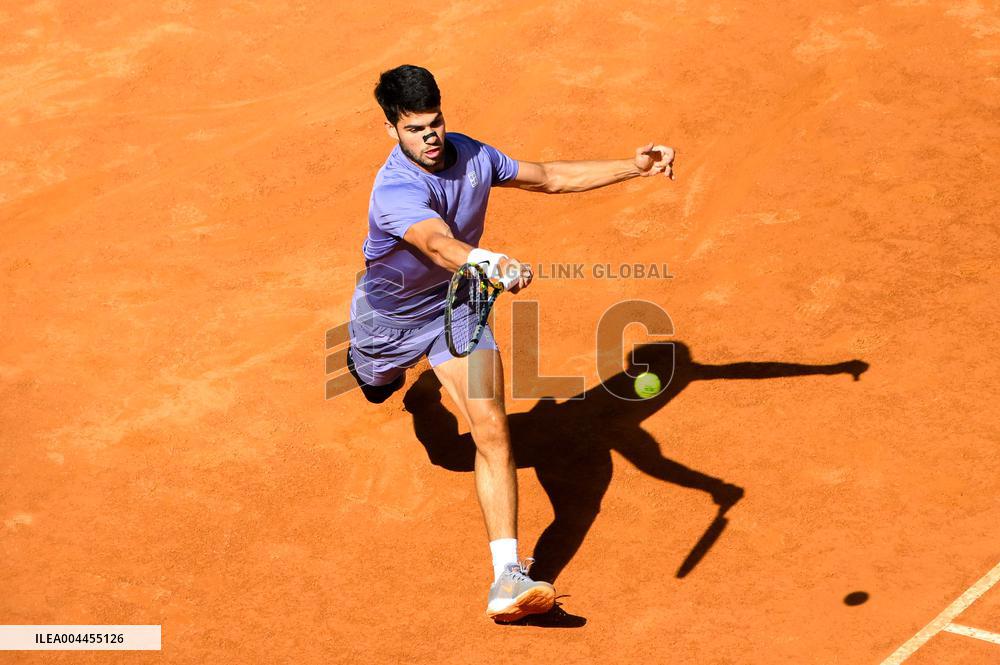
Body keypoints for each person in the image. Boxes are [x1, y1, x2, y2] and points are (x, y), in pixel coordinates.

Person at [346, 64, 675, 622]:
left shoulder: (472, 154)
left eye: (435, 123)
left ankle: (507, 576)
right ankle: (395, 383)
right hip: (391, 318)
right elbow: (435, 242)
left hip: (460, 304)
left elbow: (546, 175)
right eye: (413, 129)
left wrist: (633, 167)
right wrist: (488, 259)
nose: (429, 137)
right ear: (391, 131)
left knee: (493, 428)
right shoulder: (394, 189)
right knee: (389, 394)